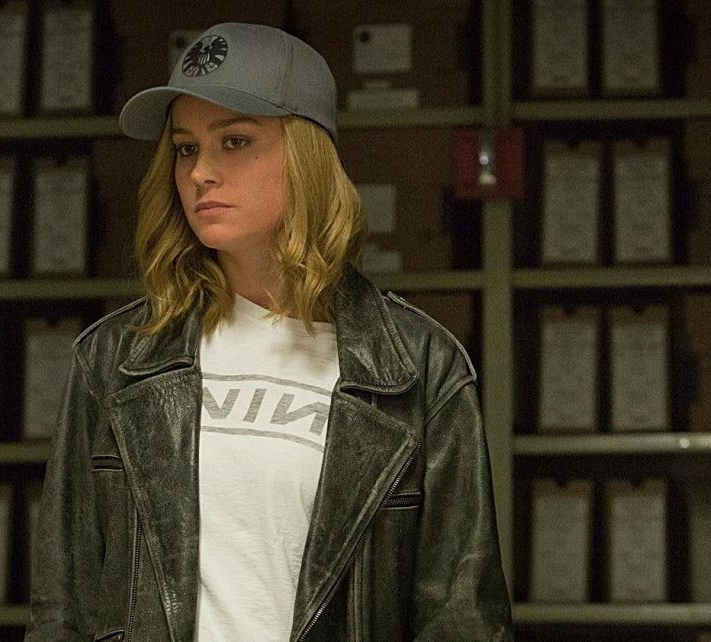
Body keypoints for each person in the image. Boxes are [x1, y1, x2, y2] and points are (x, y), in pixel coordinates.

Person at [25, 22, 512, 641]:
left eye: (234, 141)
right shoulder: (115, 359)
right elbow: (63, 609)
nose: (200, 172)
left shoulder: (418, 368)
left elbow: (462, 619)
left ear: (306, 158)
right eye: (185, 148)